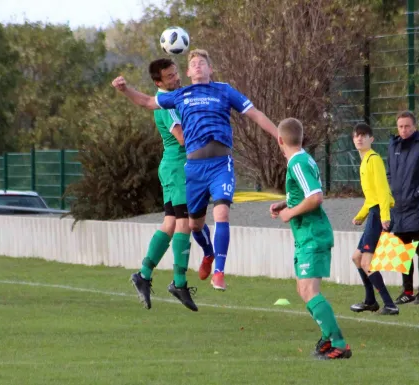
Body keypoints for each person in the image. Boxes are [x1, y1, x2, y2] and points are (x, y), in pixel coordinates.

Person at [112, 49, 278, 291]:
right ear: (188, 72)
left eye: (202, 63)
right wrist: (125, 89)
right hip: (194, 169)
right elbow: (148, 102)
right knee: (194, 225)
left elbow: (254, 113)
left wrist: (279, 136)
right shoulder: (180, 95)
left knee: (221, 213)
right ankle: (208, 253)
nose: (198, 66)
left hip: (221, 163)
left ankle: (219, 273)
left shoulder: (224, 90)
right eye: (194, 64)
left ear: (210, 69)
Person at [269, 118, 351, 360]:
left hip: (312, 234)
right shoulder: (304, 159)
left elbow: (315, 197)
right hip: (307, 234)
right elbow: (305, 193)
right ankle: (327, 337)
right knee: (303, 289)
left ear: (280, 140)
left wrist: (289, 213)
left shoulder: (297, 162)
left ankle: (339, 343)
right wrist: (286, 203)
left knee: (309, 290)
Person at [129, 58, 196, 312]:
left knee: (170, 223)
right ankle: (179, 282)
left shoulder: (173, 96)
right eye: (169, 76)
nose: (176, 78)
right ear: (158, 82)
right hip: (178, 167)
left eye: (176, 73)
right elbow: (181, 138)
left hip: (171, 167)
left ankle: (143, 274)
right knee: (184, 222)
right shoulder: (165, 104)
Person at [387, 111, 419, 305]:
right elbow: (390, 173)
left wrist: (417, 193)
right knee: (403, 250)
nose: (403, 130)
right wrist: (393, 193)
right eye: (400, 126)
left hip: (418, 207)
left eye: (407, 126)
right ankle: (407, 290)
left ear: (414, 126)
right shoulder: (393, 146)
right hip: (399, 207)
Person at [349, 123, 399, 315]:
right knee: (356, 258)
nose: (359, 138)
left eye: (363, 135)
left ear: (371, 139)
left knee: (366, 263)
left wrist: (385, 217)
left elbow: (383, 192)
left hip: (380, 214)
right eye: (356, 136)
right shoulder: (364, 162)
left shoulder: (374, 159)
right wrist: (360, 216)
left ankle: (390, 304)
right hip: (374, 213)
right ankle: (370, 300)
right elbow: (372, 198)